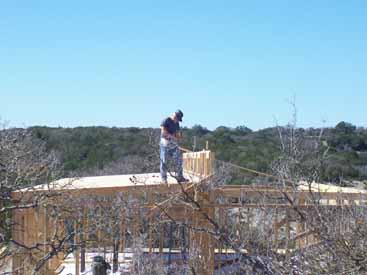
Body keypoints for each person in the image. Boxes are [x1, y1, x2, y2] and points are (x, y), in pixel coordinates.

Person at [160, 110, 188, 183]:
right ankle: (164, 179)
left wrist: (179, 136)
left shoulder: (177, 124)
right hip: (165, 143)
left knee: (179, 160)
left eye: (178, 119)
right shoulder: (166, 120)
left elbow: (177, 133)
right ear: (174, 116)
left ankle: (180, 177)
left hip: (173, 144)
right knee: (164, 161)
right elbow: (163, 133)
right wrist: (172, 137)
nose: (177, 120)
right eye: (177, 118)